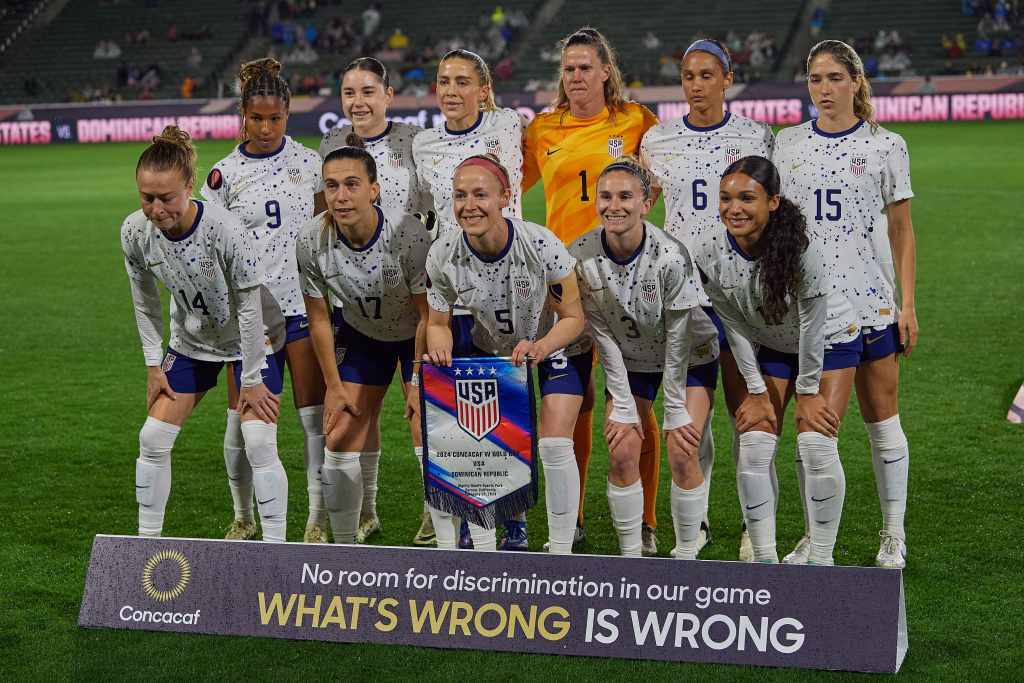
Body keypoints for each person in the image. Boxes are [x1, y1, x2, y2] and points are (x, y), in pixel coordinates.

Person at [774, 40, 917, 569]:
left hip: (874, 304)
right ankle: (817, 536)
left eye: (835, 77)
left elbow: (902, 230)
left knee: (883, 423)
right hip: (812, 312)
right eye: (815, 79)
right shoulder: (787, 144)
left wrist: (907, 304)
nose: (825, 89)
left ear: (856, 81)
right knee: (815, 430)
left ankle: (892, 534)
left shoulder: (887, 145)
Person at [522, 26, 660, 555]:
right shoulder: (543, 129)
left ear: (607, 70)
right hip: (564, 287)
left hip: (628, 283)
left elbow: (655, 186)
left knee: (637, 407)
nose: (576, 76)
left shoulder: (636, 122)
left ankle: (646, 522)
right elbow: (510, 186)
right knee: (572, 403)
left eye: (586, 67)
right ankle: (573, 515)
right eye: (569, 68)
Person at [641, 38, 775, 560]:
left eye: (706, 75)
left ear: (726, 79)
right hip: (681, 295)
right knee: (692, 416)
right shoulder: (658, 141)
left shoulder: (755, 136)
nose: (696, 85)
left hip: (741, 293)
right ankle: (694, 523)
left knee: (748, 411)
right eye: (688, 76)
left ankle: (751, 522)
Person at [122, 126, 289, 542]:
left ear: (190, 187)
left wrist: (249, 379)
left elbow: (250, 311)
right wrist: (151, 365)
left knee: (258, 441)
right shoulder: (134, 233)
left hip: (253, 340)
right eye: (147, 198)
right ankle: (147, 544)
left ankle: (275, 551)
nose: (157, 209)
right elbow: (145, 303)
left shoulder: (225, 230)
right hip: (192, 343)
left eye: (167, 198)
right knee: (153, 438)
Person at [694, 155, 861, 565]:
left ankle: (822, 559)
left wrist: (807, 393)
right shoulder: (707, 251)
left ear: (772, 202)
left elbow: (813, 325)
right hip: (769, 342)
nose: (735, 208)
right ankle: (765, 561)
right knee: (753, 439)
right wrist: (755, 390)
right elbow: (731, 322)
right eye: (726, 198)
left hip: (830, 338)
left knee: (815, 440)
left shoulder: (802, 249)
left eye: (747, 198)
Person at [423, 154, 586, 554]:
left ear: (505, 198)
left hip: (553, 344)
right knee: (484, 434)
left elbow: (573, 316)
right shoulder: (443, 254)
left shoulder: (540, 243)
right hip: (491, 348)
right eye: (460, 195)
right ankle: (507, 522)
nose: (469, 204)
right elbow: (437, 321)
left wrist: (542, 347)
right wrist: (439, 343)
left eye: (481, 194)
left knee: (553, 444)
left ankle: (562, 548)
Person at [202, 58, 328, 543]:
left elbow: (324, 230)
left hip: (305, 307)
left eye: (275, 118)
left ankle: (315, 520)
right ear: (242, 116)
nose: (266, 127)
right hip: (252, 316)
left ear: (288, 113)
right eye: (257, 118)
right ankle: (243, 516)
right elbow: (209, 247)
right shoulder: (222, 175)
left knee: (313, 420)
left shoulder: (309, 163)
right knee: (244, 424)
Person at [569, 157, 719, 558]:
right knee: (621, 449)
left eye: (625, 197)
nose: (613, 206)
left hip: (688, 360)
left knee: (682, 448)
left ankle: (688, 552)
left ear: (646, 202)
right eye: (605, 196)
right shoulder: (581, 255)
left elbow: (679, 336)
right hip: (632, 362)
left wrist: (674, 407)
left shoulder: (670, 256)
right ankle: (632, 554)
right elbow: (601, 333)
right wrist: (620, 404)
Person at [412, 49, 525, 548]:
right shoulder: (423, 143)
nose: (451, 91)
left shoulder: (509, 126)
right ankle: (466, 512)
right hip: (453, 285)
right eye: (443, 82)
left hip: (512, 284)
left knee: (509, 406)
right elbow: (429, 213)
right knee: (462, 411)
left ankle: (515, 516)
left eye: (462, 81)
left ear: (483, 88)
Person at [320, 57, 435, 546]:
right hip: (359, 309)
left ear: (389, 94)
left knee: (421, 415)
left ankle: (436, 512)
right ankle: (364, 512)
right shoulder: (330, 146)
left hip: (415, 303)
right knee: (354, 414)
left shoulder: (416, 142)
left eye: (368, 91)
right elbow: (322, 220)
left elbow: (433, 210)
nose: (358, 102)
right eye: (349, 93)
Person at [296, 135, 431, 545]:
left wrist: (419, 377)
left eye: (352, 184)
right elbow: (319, 320)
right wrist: (334, 386)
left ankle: (435, 514)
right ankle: (359, 525)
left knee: (423, 423)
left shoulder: (408, 237)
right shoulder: (310, 241)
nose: (340, 195)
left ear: (374, 189)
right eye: (331, 185)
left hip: (414, 337)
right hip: (362, 333)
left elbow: (428, 315)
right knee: (339, 433)